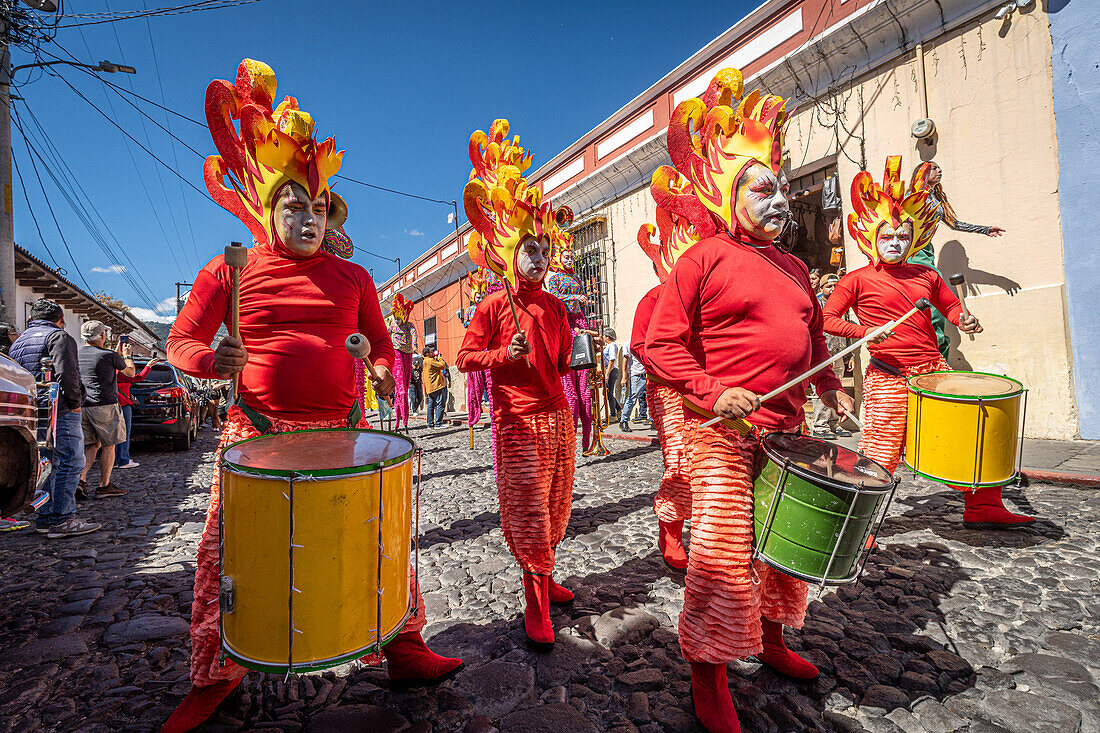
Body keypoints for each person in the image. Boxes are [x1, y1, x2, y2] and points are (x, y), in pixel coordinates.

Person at [162, 59, 460, 733]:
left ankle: (403, 644)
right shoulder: (228, 270)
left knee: (379, 539)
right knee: (225, 554)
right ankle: (213, 674)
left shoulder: (354, 278)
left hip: (343, 428)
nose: (307, 216)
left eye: (317, 206)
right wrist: (214, 359)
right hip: (256, 434)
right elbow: (180, 342)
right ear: (271, 208)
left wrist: (383, 371)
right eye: (293, 204)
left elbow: (382, 346)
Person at [645, 68, 853, 733]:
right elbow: (660, 347)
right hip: (719, 436)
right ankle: (708, 674)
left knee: (783, 549)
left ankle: (773, 639)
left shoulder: (794, 267)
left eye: (783, 189)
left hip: (784, 434)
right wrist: (712, 390)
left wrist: (830, 387)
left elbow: (814, 339)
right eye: (764, 188)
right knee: (724, 556)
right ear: (730, 194)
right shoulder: (700, 259)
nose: (780, 200)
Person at [824, 156, 1031, 529]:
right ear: (871, 237)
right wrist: (867, 333)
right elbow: (827, 320)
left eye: (903, 236)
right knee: (879, 455)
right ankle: (858, 525)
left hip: (935, 373)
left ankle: (983, 506)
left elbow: (951, 308)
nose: (895, 243)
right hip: (889, 377)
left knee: (969, 436)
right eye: (887, 236)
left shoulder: (927, 274)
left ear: (914, 236)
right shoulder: (855, 279)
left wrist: (964, 320)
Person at [457, 118, 575, 650]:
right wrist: (505, 353)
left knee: (556, 504)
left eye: (543, 249)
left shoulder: (553, 303)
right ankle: (533, 600)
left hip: (558, 416)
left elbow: (565, 357)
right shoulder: (492, 303)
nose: (540, 257)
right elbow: (464, 357)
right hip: (518, 421)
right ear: (508, 252)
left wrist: (577, 357)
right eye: (530, 249)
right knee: (528, 510)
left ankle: (548, 580)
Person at [635, 204, 703, 570]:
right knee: (679, 460)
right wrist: (679, 371)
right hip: (668, 390)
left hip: (709, 391)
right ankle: (671, 530)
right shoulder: (652, 298)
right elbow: (642, 347)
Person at [9, 299, 100, 538]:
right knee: (71, 461)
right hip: (58, 410)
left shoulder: (18, 342)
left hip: (31, 412)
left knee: (48, 464)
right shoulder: (58, 337)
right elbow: (67, 373)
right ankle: (63, 518)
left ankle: (46, 516)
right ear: (60, 319)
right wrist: (76, 404)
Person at [911, 161, 1005, 358]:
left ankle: (938, 353)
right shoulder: (911, 198)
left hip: (926, 252)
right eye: (933, 168)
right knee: (927, 302)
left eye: (939, 167)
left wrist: (985, 230)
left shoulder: (936, 200)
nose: (939, 170)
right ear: (922, 173)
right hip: (912, 254)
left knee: (936, 307)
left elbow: (955, 224)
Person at [545, 225, 598, 450]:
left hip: (581, 329)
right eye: (566, 256)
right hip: (566, 331)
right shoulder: (555, 279)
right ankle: (569, 444)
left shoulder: (574, 278)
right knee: (571, 396)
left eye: (571, 256)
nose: (570, 259)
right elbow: (556, 300)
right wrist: (576, 297)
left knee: (586, 394)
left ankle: (588, 442)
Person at [77, 321, 134, 499]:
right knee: (109, 446)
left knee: (91, 445)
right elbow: (130, 373)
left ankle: (81, 480)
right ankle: (104, 485)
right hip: (105, 405)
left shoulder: (76, 354)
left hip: (82, 406)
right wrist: (127, 356)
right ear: (103, 336)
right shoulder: (109, 356)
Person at [810, 274, 853, 440]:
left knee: (838, 391)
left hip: (839, 354)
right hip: (823, 356)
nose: (833, 289)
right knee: (822, 391)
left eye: (836, 285)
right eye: (829, 286)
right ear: (821, 288)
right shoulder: (817, 306)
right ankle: (820, 425)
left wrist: (848, 355)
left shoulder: (842, 307)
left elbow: (846, 331)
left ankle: (834, 424)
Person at [115, 352, 160, 469]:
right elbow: (138, 377)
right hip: (123, 404)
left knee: (114, 434)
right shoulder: (122, 374)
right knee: (124, 433)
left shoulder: (111, 373)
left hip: (112, 404)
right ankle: (123, 460)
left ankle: (114, 460)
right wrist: (148, 366)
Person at [389, 295, 418, 431]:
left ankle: (404, 421)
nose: (397, 321)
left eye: (399, 318)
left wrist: (414, 344)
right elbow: (383, 334)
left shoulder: (409, 325)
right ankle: (398, 421)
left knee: (404, 388)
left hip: (408, 354)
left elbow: (414, 334)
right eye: (396, 318)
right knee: (401, 390)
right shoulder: (393, 325)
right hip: (397, 354)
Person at [618, 343, 649, 431]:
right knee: (632, 399)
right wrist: (624, 376)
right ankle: (623, 421)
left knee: (652, 398)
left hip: (647, 374)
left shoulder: (643, 341)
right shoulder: (629, 343)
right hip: (636, 376)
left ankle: (653, 420)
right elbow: (625, 360)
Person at [422, 346, 448, 428]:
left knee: (430, 406)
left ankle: (430, 424)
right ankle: (438, 423)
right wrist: (440, 358)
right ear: (427, 354)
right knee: (440, 404)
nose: (432, 353)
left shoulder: (424, 361)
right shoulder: (430, 360)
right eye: (430, 352)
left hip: (429, 387)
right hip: (436, 385)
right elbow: (443, 366)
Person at [602, 327, 621, 422]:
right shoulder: (609, 346)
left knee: (609, 393)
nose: (603, 337)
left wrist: (607, 374)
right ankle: (618, 409)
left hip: (611, 371)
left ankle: (613, 415)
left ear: (608, 337)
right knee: (607, 393)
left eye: (604, 336)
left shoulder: (612, 345)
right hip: (610, 371)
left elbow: (611, 360)